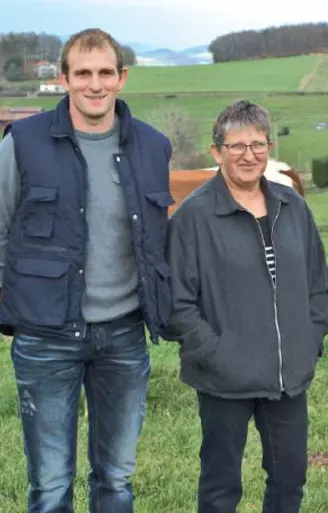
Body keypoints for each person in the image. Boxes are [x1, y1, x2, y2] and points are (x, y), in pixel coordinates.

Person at [0, 28, 174, 512]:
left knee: (116, 481)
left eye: (104, 73)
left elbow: (158, 241)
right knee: (50, 485)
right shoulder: (24, 142)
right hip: (44, 335)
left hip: (123, 335)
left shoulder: (153, 147)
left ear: (121, 78)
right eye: (82, 73)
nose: (94, 84)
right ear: (64, 79)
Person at [166, 99, 328, 513]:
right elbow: (177, 303)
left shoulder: (292, 206)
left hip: (287, 376)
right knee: (221, 486)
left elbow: (319, 283)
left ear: (269, 148)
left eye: (258, 144)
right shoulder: (193, 217)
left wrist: (308, 340)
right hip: (224, 378)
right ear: (217, 151)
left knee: (289, 478)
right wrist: (215, 352)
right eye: (237, 145)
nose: (249, 155)